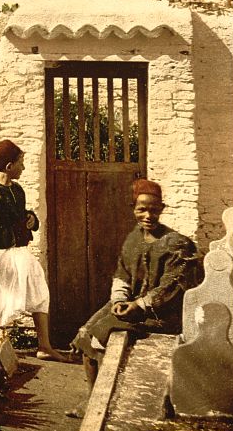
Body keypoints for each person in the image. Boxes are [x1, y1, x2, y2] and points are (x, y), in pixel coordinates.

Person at [67, 178, 203, 416]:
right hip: (132, 306)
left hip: (162, 315)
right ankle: (92, 398)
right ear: (133, 209)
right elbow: (123, 273)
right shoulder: (133, 239)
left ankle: (105, 400)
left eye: (153, 209)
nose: (147, 215)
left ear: (162, 208)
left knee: (103, 334)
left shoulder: (176, 244)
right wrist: (120, 300)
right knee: (85, 332)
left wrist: (138, 305)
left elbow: (169, 288)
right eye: (141, 209)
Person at [0, 139, 70, 362]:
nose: (23, 168)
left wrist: (31, 220)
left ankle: (44, 346)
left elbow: (22, 215)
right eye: (21, 163)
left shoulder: (17, 190)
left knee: (38, 289)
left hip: (19, 252)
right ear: (9, 167)